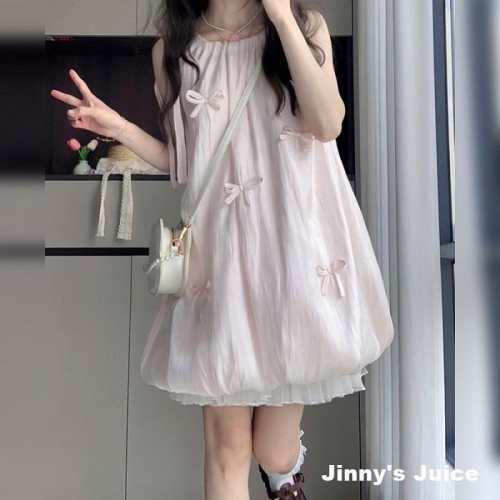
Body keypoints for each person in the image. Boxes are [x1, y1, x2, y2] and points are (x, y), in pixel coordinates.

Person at [51, 1, 394, 498]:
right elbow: (186, 162)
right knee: (227, 449)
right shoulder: (173, 49)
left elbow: (327, 125)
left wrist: (281, 17)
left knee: (271, 450)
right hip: (220, 261)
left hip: (295, 254)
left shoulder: (303, 25)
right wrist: (120, 129)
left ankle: (285, 469)